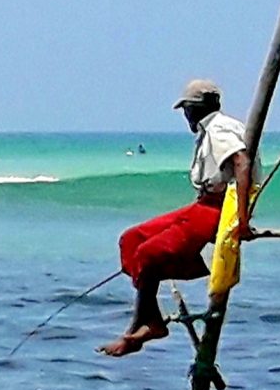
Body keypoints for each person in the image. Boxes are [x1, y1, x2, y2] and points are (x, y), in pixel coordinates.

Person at [100, 78, 252, 358]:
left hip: (220, 207)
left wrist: (242, 219)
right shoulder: (212, 129)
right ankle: (151, 321)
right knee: (131, 240)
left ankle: (138, 328)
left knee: (148, 253)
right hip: (204, 202)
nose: (186, 117)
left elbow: (241, 162)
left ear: (196, 109)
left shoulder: (218, 129)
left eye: (187, 111)